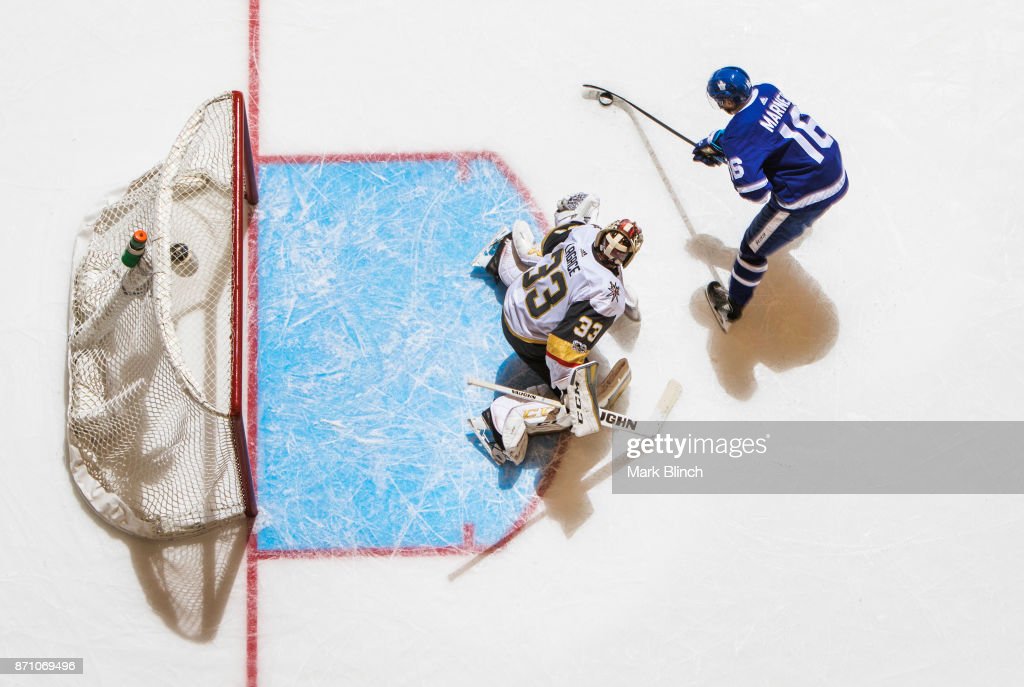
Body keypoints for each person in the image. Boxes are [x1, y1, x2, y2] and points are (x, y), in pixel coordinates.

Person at [469, 193, 643, 465]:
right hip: (526, 337)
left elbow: (548, 245)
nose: (612, 250)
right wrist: (572, 392)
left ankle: (503, 255)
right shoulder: (607, 297)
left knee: (545, 265)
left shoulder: (584, 230)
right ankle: (499, 422)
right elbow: (561, 349)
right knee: (566, 407)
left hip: (515, 298)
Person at [692, 66, 848, 332]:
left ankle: (733, 309)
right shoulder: (766, 90)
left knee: (751, 251)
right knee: (799, 214)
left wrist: (733, 155)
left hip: (804, 192)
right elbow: (766, 132)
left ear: (727, 101)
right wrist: (727, 145)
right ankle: (798, 226)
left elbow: (755, 191)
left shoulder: (739, 135)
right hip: (834, 171)